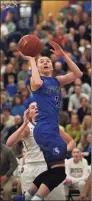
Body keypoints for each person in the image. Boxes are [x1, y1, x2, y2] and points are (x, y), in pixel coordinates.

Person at [19, 40, 82, 200]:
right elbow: (38, 81)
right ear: (37, 67)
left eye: (48, 61)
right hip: (45, 128)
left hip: (51, 129)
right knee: (59, 172)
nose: (45, 62)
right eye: (42, 61)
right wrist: (32, 59)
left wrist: (63, 56)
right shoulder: (35, 81)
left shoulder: (56, 81)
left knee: (54, 169)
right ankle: (36, 198)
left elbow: (78, 74)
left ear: (53, 66)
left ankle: (28, 195)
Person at [7, 102, 76, 200]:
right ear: (29, 113)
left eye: (38, 106)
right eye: (32, 107)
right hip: (31, 168)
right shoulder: (27, 128)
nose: (36, 108)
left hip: (51, 167)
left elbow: (72, 143)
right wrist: (24, 123)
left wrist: (62, 150)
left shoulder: (52, 126)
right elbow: (9, 143)